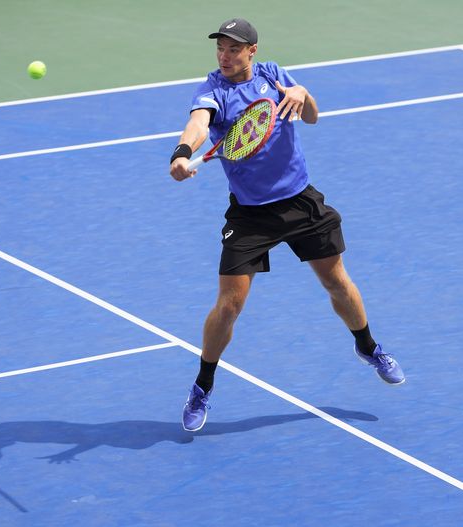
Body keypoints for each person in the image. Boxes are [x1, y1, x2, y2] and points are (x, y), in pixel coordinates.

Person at [169, 18, 405, 432]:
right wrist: (183, 152)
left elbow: (310, 117)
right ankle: (202, 386)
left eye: (232, 49)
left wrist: (304, 93)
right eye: (220, 49)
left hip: (300, 201)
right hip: (251, 214)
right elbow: (200, 124)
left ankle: (368, 347)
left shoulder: (273, 75)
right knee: (229, 305)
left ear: (251, 51)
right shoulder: (212, 90)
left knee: (336, 282)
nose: (224, 56)